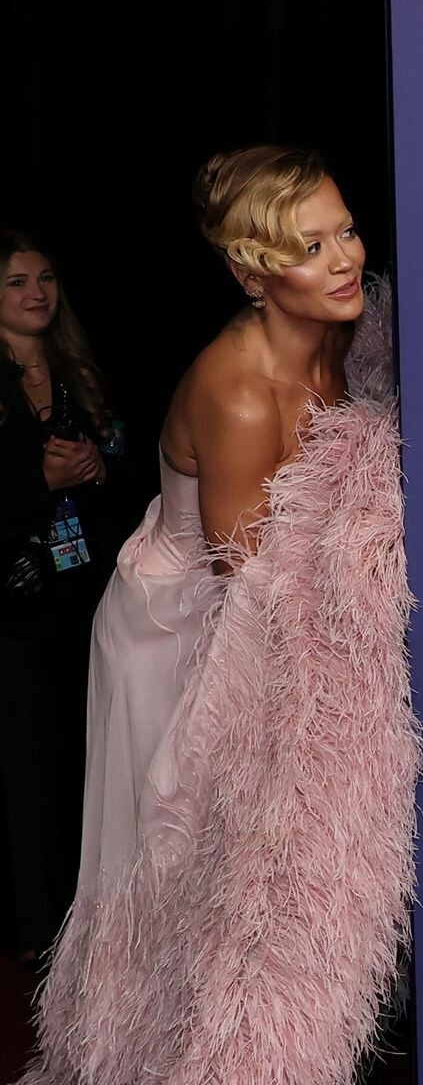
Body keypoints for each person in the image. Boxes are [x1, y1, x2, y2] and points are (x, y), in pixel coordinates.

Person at [17, 147, 419, 1085]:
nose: (344, 260)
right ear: (251, 274)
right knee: (180, 857)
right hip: (181, 626)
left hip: (253, 602)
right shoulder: (237, 393)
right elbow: (250, 576)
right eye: (309, 248)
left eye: (345, 232)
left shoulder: (337, 332)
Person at [0, 232, 122, 968]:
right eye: (17, 282)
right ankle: (38, 944)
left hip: (86, 601)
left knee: (85, 764)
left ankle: (89, 936)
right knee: (27, 778)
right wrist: (38, 482)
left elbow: (130, 459)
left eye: (45, 277)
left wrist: (97, 469)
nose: (37, 293)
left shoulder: (80, 369)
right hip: (12, 616)